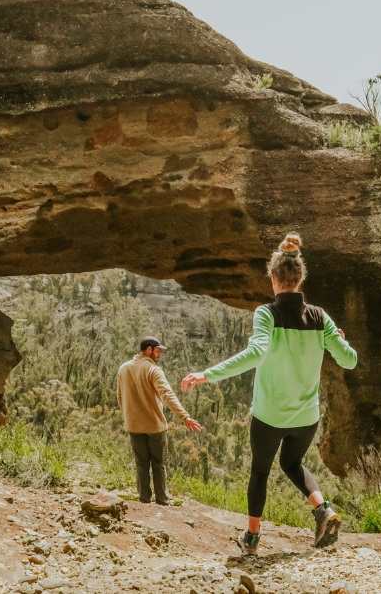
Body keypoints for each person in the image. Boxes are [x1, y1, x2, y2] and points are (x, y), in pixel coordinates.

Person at [181, 234, 357, 556]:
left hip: (270, 416)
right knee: (293, 463)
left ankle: (250, 539)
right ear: (301, 278)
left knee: (260, 472)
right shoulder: (320, 317)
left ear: (273, 280)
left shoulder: (267, 314)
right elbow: (349, 360)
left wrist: (207, 374)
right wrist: (341, 341)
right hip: (306, 418)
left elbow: (256, 354)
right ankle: (323, 511)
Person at [116, 336, 203, 506]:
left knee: (141, 464)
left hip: (133, 425)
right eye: (158, 350)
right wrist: (184, 417)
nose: (159, 354)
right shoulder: (154, 370)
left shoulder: (123, 368)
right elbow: (168, 395)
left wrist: (128, 418)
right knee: (158, 464)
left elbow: (120, 397)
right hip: (155, 426)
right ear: (148, 350)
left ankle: (144, 500)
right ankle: (162, 500)